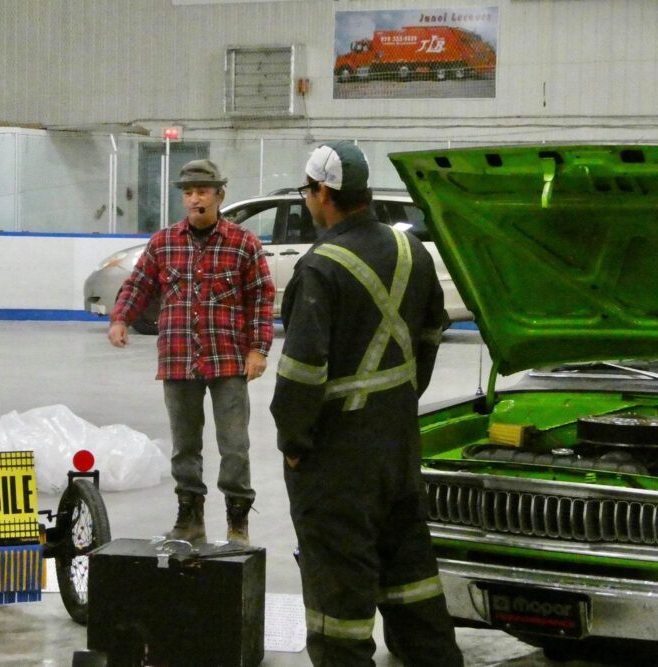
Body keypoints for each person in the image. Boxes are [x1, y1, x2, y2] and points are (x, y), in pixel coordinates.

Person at [270, 142, 463, 665]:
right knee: (412, 584)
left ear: (323, 193)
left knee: (340, 605)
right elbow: (429, 336)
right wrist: (395, 402)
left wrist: (293, 442)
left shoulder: (321, 268)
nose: (309, 202)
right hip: (397, 446)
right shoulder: (413, 252)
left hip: (338, 460)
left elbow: (301, 374)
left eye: (309, 193)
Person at [109, 159, 274, 545]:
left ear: (219, 195)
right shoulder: (164, 243)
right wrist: (120, 319)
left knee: (234, 446)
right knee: (185, 446)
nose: (194, 199)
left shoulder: (243, 243)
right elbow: (139, 285)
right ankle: (190, 520)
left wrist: (258, 349)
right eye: (188, 193)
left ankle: (238, 524)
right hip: (178, 358)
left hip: (229, 359)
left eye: (202, 191)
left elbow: (262, 299)